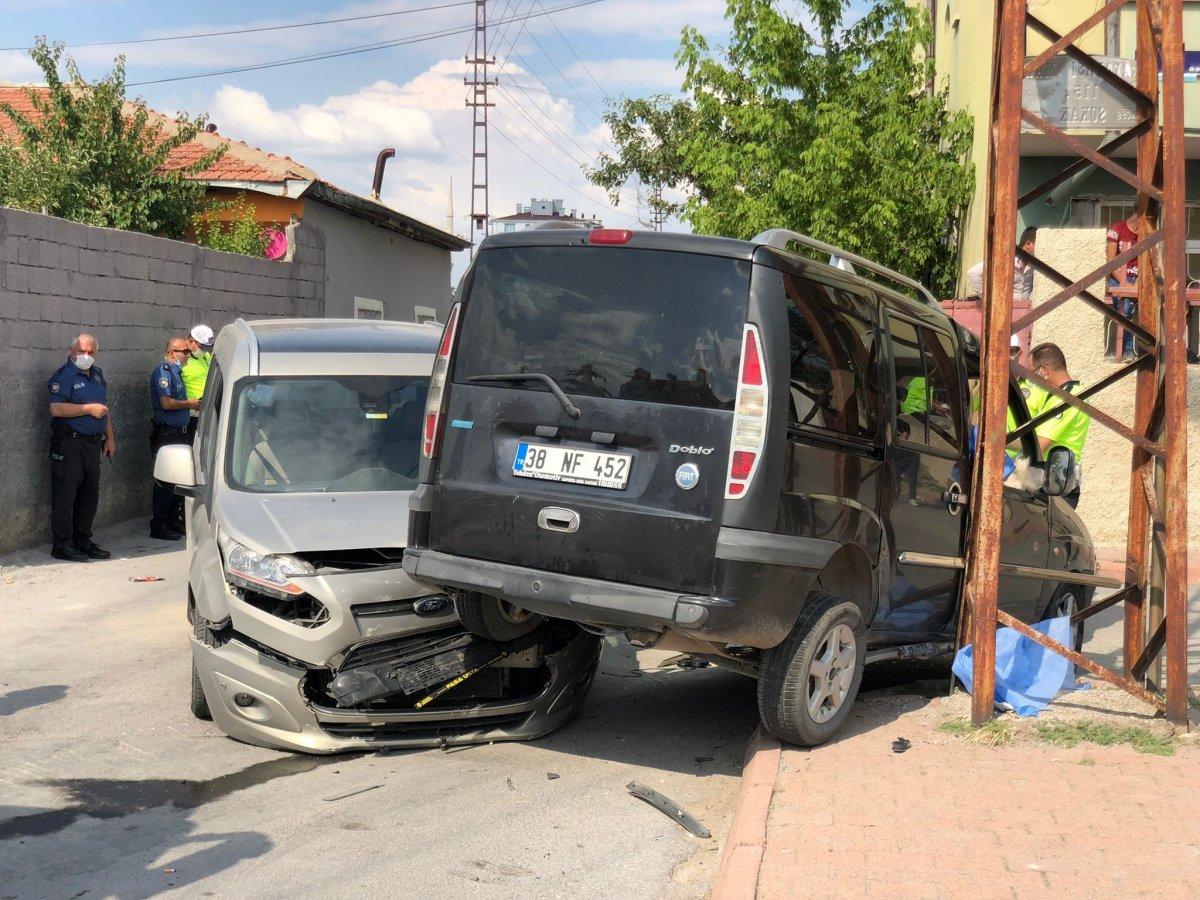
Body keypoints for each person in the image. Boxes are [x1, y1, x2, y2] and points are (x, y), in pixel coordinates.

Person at [47, 333, 115, 562]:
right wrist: (87, 409)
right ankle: (62, 545)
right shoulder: (64, 376)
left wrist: (110, 438)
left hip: (93, 444)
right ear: (71, 351)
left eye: (90, 352)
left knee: (89, 495)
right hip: (70, 443)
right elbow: (56, 409)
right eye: (81, 351)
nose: (86, 356)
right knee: (66, 495)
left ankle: (83, 540)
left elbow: (103, 409)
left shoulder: (97, 375)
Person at [1025, 343, 1091, 509]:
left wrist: (1001, 442)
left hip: (1057, 482)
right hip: (1051, 479)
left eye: (1032, 372)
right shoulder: (1057, 396)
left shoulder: (1068, 398)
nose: (1031, 379)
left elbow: (1040, 443)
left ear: (1044, 370)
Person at [149, 337, 199, 540]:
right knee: (166, 481)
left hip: (180, 432)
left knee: (178, 478)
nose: (188, 355)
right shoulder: (163, 372)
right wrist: (190, 404)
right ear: (172, 353)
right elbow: (166, 403)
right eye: (184, 352)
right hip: (168, 433)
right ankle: (159, 524)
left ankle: (171, 520)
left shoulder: (177, 372)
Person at [965, 227, 1038, 300]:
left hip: (1026, 306)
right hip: (1005, 306)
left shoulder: (1034, 264)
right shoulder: (1006, 259)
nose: (1039, 249)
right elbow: (973, 273)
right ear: (1028, 244)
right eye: (1037, 245)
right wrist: (990, 298)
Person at [1105, 215, 1139, 361]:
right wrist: (1125, 283)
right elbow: (1110, 262)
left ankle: (1131, 351)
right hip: (1118, 277)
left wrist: (1137, 284)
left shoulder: (1146, 234)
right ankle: (1127, 350)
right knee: (1125, 309)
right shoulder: (1117, 228)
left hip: (1138, 279)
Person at [181, 324, 214, 422]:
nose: (204, 351)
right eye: (202, 347)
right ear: (191, 341)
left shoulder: (206, 357)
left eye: (207, 347)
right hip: (191, 413)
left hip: (207, 411)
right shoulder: (181, 358)